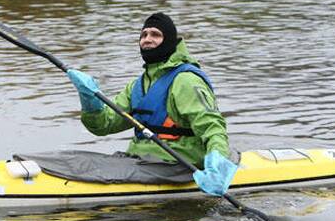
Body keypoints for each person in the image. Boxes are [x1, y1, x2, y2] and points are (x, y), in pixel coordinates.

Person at [65, 12, 239, 197]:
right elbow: (103, 126)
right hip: (141, 160)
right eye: (144, 35)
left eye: (155, 35)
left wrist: (218, 168)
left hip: (179, 165)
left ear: (169, 41)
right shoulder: (137, 86)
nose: (147, 39)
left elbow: (213, 128)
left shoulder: (186, 81)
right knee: (72, 159)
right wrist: (90, 100)